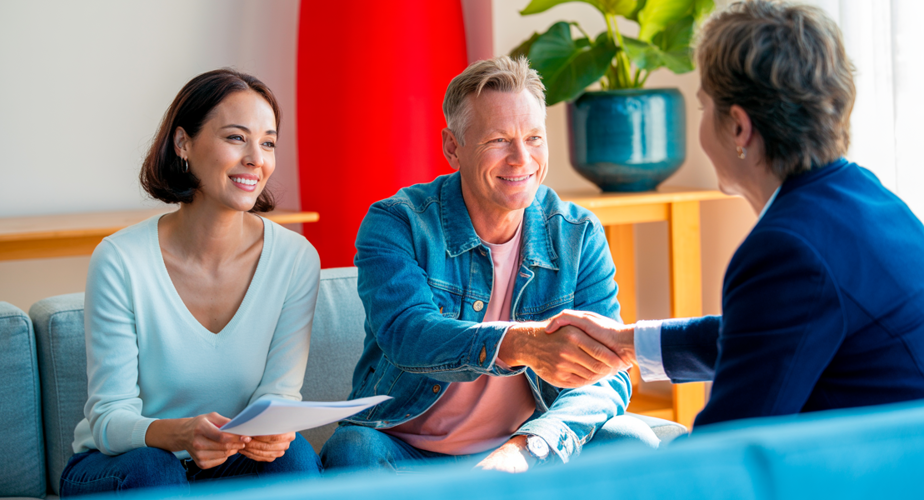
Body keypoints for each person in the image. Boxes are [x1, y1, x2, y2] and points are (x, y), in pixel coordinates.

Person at [548, 0, 924, 429]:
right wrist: (627, 342)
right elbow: (768, 335)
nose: (703, 123)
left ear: (740, 128)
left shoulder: (788, 249)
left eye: (704, 106)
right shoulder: (867, 196)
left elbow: (727, 448)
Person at [320, 56, 658, 475]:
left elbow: (607, 375)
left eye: (534, 138)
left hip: (522, 446)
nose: (521, 159)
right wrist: (521, 343)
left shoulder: (578, 233)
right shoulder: (398, 223)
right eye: (499, 140)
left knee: (633, 443)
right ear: (452, 147)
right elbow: (408, 334)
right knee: (352, 449)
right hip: (406, 451)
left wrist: (532, 445)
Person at [59, 69, 322, 496]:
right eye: (236, 137)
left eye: (268, 142)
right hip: (121, 466)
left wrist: (275, 429)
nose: (257, 158)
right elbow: (109, 419)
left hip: (227, 461)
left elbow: (279, 394)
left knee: (294, 458)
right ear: (183, 143)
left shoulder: (295, 261)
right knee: (155, 470)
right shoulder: (121, 259)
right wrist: (180, 435)